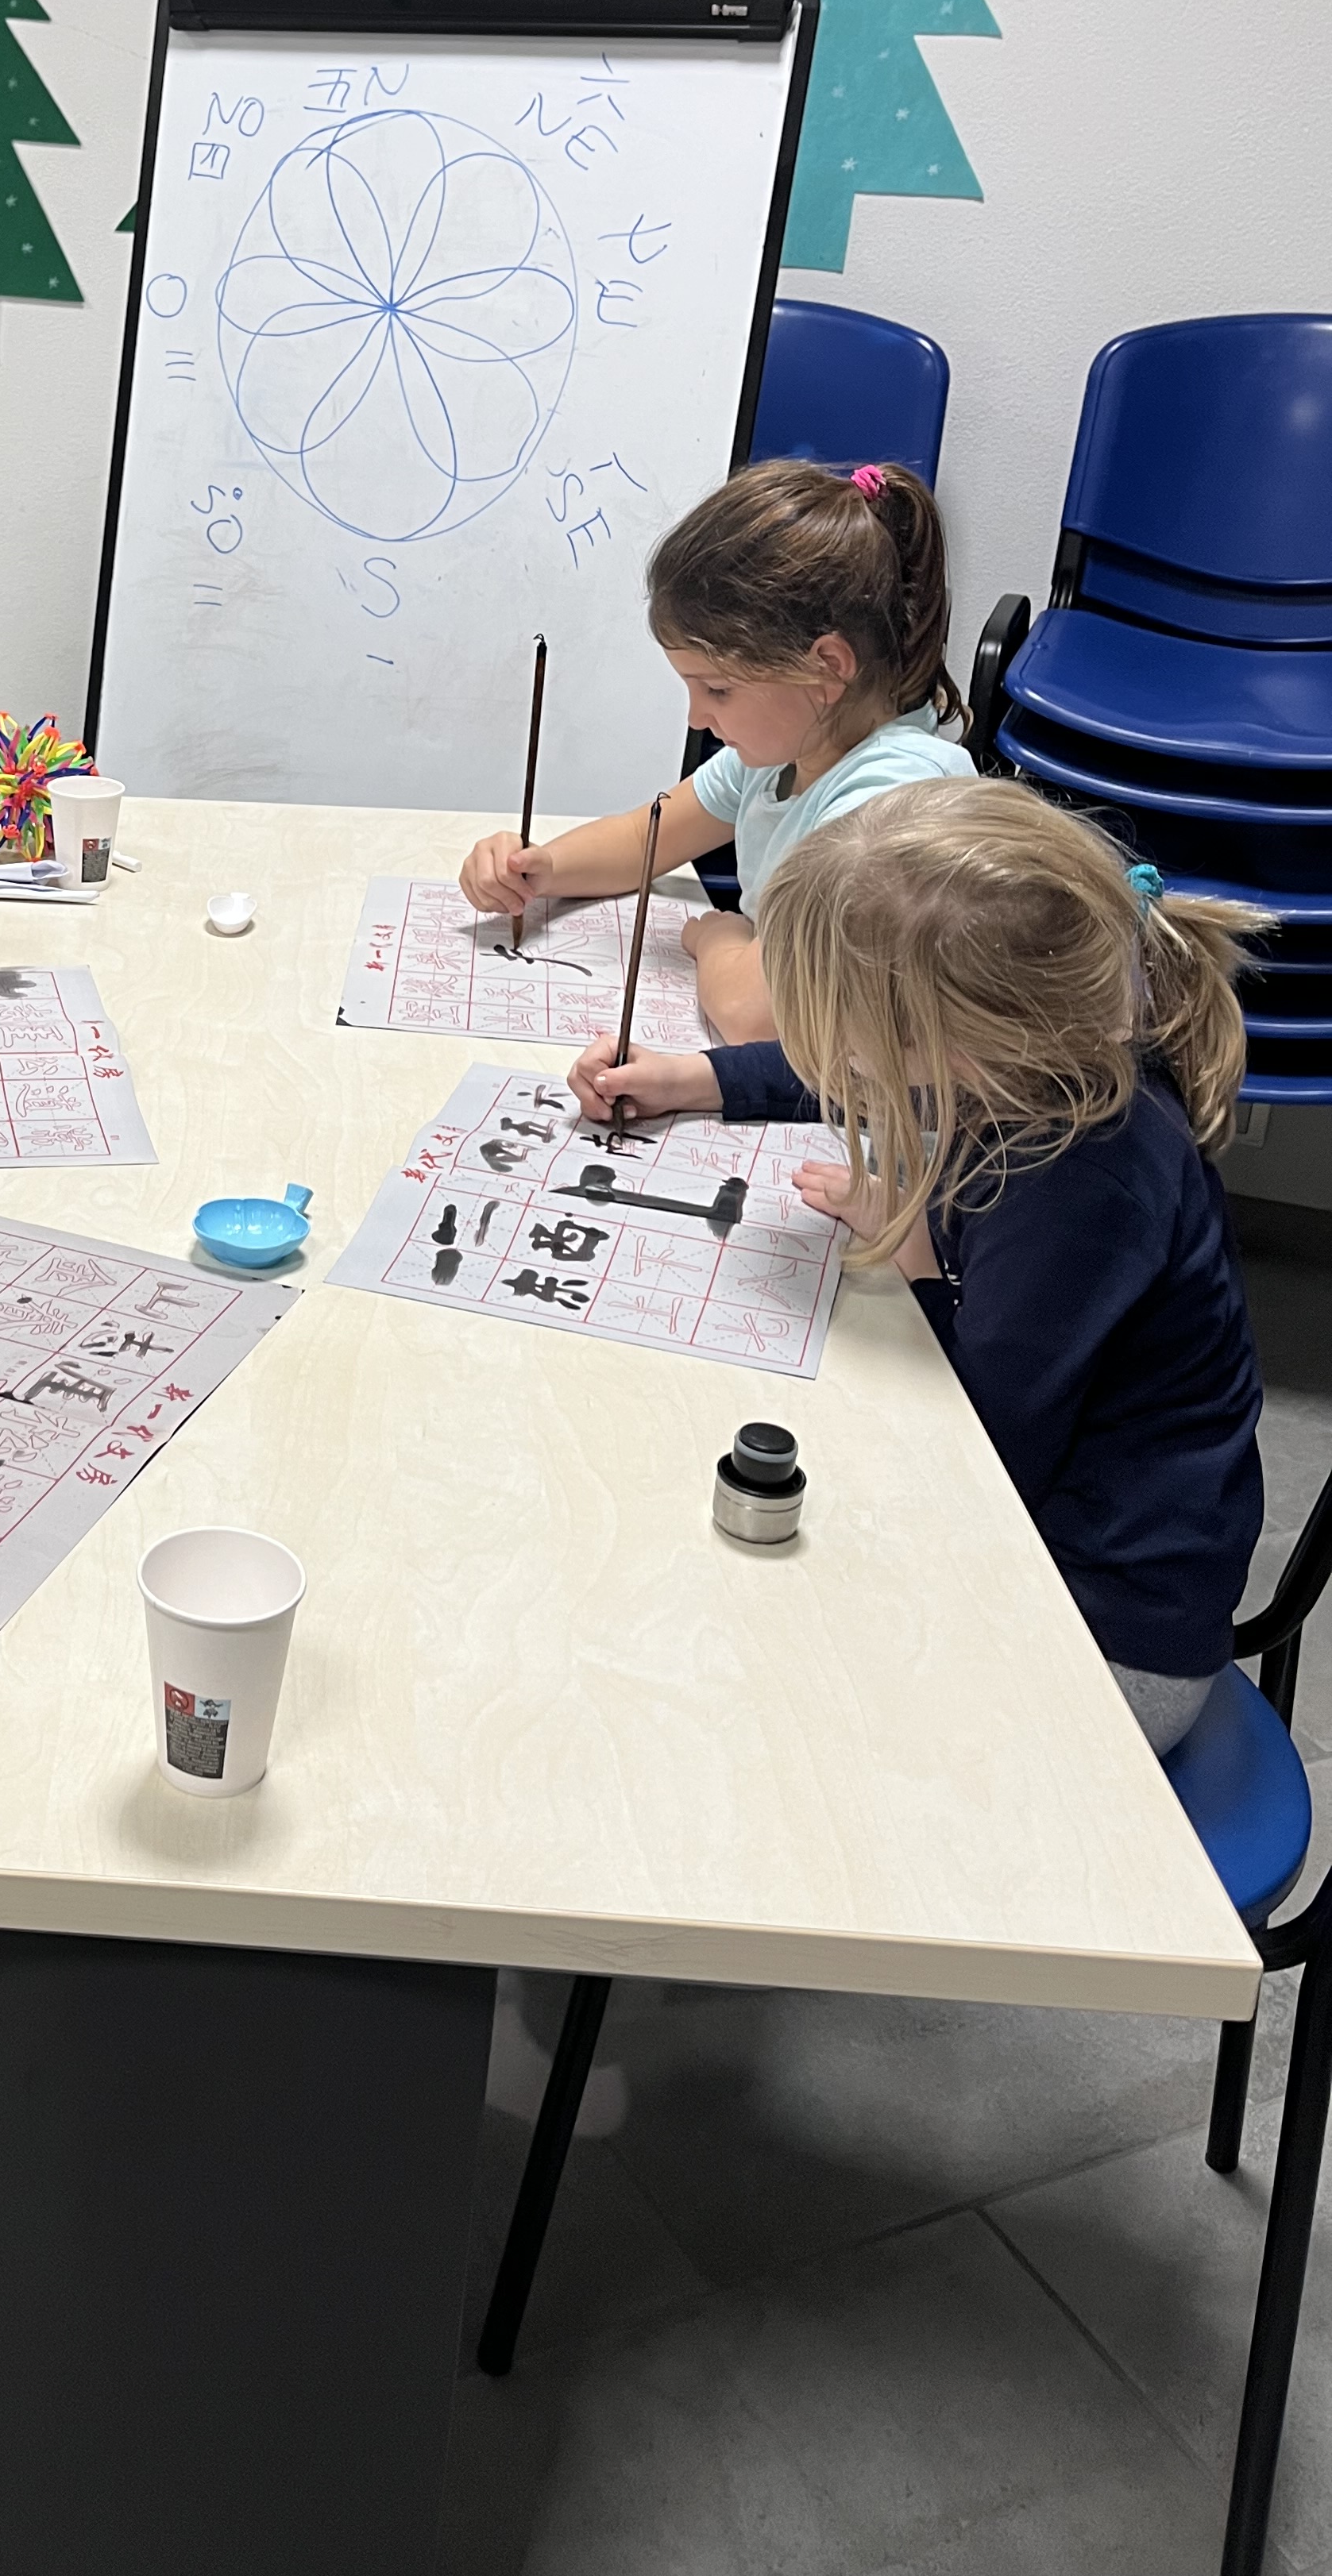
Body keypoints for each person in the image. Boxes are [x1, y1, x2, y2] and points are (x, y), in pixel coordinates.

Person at [572, 777, 1268, 1753]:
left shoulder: (1085, 1176)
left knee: (723, 1671)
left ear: (941, 1039)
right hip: (1051, 1547)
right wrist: (693, 1078)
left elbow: (980, 1455)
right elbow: (853, 1070)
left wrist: (921, 1265)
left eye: (844, 1027)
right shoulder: (1042, 1053)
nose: (833, 1057)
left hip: (1103, 1645)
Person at [458, 458, 974, 1040]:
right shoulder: (795, 746)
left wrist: (719, 939)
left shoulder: (895, 796)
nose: (696, 718)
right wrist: (537, 869)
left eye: (718, 690)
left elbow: (755, 1013)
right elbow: (644, 840)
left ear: (826, 668)